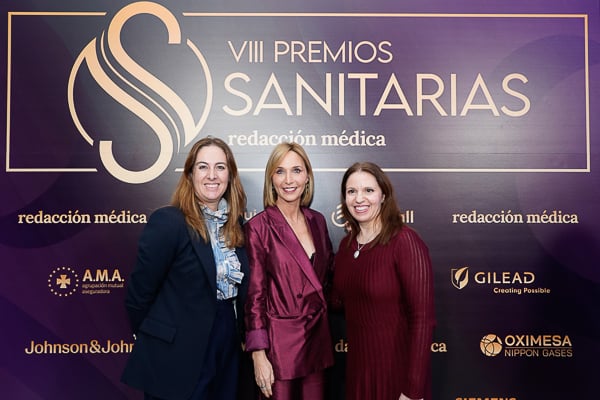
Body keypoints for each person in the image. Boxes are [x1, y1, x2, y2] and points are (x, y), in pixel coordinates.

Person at [121, 136, 249, 400]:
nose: (212, 175)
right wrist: (161, 340)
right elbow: (138, 297)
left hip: (226, 342)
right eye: (203, 167)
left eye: (220, 167)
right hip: (177, 352)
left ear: (230, 175)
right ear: (190, 175)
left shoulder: (236, 227)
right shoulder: (169, 222)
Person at [331, 162, 435, 400]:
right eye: (351, 191)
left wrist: (412, 390)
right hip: (358, 376)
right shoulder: (347, 247)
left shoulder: (405, 242)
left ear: (383, 195)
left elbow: (423, 320)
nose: (360, 198)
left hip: (397, 377)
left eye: (368, 190)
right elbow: (337, 301)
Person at [244, 143, 334, 400]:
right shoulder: (258, 227)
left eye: (296, 170)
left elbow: (327, 277)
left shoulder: (317, 220)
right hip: (279, 348)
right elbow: (255, 296)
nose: (288, 180)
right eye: (280, 171)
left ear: (307, 177)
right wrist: (259, 354)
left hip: (317, 341)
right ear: (271, 179)